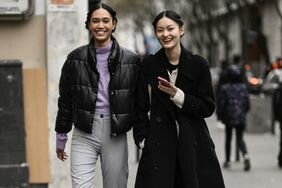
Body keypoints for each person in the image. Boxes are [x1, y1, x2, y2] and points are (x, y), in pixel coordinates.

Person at [133, 10, 225, 188]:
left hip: (193, 144)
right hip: (159, 145)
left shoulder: (199, 64)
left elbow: (208, 107)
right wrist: (143, 139)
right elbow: (140, 106)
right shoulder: (149, 64)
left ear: (181, 30)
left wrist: (179, 96)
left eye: (170, 29)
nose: (165, 34)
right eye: (160, 30)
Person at [54, 3, 140, 188]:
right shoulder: (74, 59)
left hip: (115, 132)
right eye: (95, 21)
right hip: (84, 131)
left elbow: (139, 102)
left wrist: (141, 135)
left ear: (114, 24)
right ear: (88, 25)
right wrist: (61, 136)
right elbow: (66, 100)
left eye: (105, 21)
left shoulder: (131, 60)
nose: (100, 25)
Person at [216, 65, 251, 171]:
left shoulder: (225, 88)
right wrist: (243, 112)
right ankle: (246, 156)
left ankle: (227, 160)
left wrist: (219, 115)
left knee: (228, 138)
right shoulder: (243, 88)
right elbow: (247, 104)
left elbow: (221, 103)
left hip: (228, 117)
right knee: (240, 138)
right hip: (240, 117)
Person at [272, 81, 282, 168]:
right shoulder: (278, 90)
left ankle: (280, 158)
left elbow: (275, 104)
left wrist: (276, 116)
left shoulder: (278, 89)